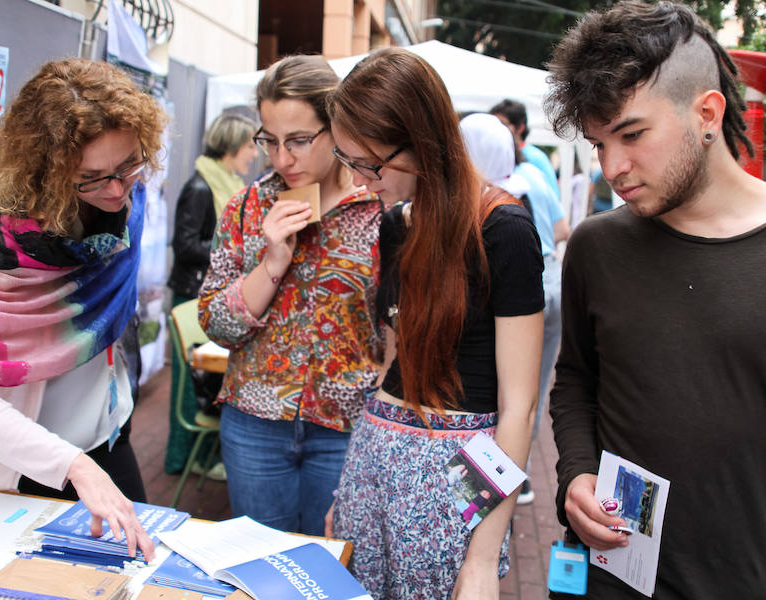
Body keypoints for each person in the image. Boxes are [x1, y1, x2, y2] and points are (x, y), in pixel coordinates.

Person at [544, 1, 766, 597]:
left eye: (632, 134)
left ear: (707, 112)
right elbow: (576, 382)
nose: (613, 166)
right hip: (614, 578)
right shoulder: (596, 246)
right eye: (598, 144)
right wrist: (576, 473)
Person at [0, 58, 167, 560]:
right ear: (46, 172)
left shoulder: (126, 206)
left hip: (103, 438)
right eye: (92, 178)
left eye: (128, 166)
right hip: (12, 467)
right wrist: (73, 465)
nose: (118, 191)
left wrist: (92, 454)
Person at [325, 47, 544, 600]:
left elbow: (519, 407)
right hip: (376, 451)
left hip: (458, 468)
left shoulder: (505, 231)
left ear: (421, 144)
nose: (358, 179)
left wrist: (483, 552)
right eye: (347, 159)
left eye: (369, 164)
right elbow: (394, 361)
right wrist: (354, 479)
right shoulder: (395, 223)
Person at [197, 55, 382, 537]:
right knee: (261, 565)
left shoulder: (380, 211)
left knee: (336, 567)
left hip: (348, 426)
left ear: (337, 126)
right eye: (269, 141)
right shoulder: (247, 206)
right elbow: (216, 324)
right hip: (255, 421)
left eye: (299, 140)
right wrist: (271, 263)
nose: (282, 159)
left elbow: (400, 330)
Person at [460, 112, 569, 506]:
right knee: (529, 390)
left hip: (523, 292)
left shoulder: (493, 211)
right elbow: (561, 230)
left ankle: (494, 485)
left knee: (509, 394)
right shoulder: (534, 177)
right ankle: (510, 478)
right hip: (550, 280)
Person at [164, 113, 256, 476]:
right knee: (190, 385)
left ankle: (199, 459)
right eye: (250, 144)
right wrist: (233, 249)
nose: (254, 152)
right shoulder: (201, 187)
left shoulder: (225, 183)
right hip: (191, 296)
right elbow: (184, 245)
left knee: (202, 382)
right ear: (232, 145)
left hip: (206, 295)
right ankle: (183, 462)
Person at [490, 98, 560, 197]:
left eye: (502, 124)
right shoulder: (494, 156)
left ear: (520, 127)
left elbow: (553, 197)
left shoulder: (535, 158)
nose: (495, 128)